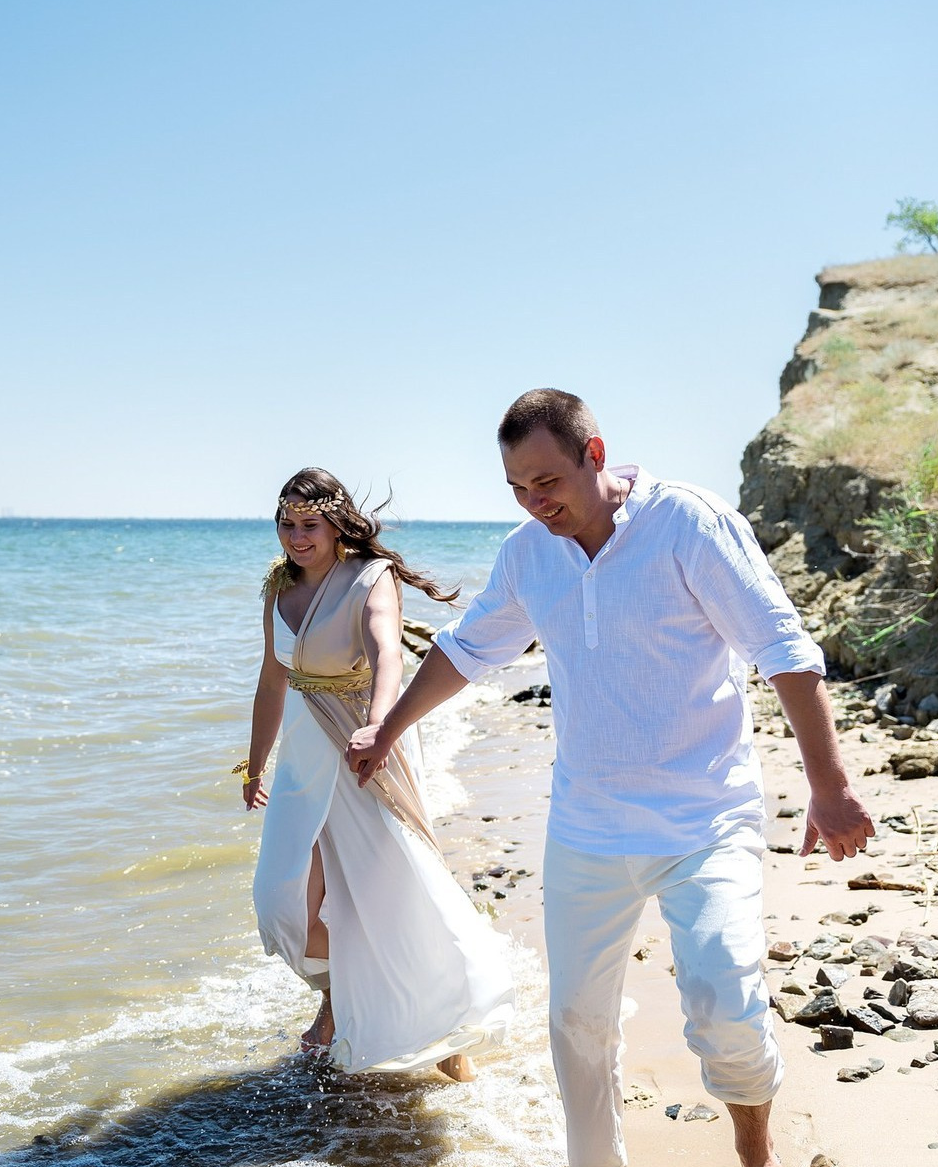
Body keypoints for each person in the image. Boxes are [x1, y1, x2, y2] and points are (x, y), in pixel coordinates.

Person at [347, 389, 874, 1167]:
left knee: (726, 1008)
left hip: (704, 821)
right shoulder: (529, 553)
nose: (535, 504)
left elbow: (783, 648)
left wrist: (829, 787)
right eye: (518, 489)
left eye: (548, 482)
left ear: (595, 455)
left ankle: (755, 1155)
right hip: (586, 828)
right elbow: (467, 648)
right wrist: (387, 729)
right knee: (576, 1027)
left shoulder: (688, 524)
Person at [241, 467, 514, 1081]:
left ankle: (446, 1017)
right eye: (286, 524)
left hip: (364, 745)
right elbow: (271, 679)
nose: (296, 537)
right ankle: (341, 992)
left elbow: (387, 651)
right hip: (304, 754)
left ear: (337, 524)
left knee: (397, 890)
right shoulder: (278, 586)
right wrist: (252, 765)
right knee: (281, 905)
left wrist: (377, 726)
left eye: (310, 525)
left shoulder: (371, 576)